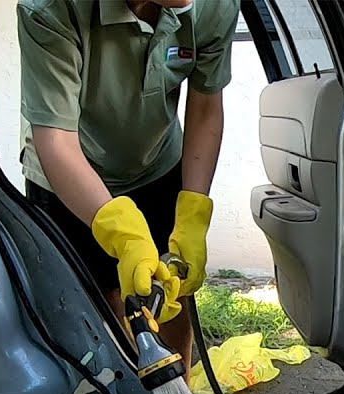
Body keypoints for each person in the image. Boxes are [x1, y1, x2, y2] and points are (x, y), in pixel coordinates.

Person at [17, 0, 239, 364]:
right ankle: (119, 392)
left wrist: (193, 214)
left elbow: (205, 106)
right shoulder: (50, 10)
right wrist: (122, 234)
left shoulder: (216, 6)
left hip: (158, 165)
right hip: (68, 178)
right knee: (100, 318)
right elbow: (56, 140)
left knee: (170, 296)